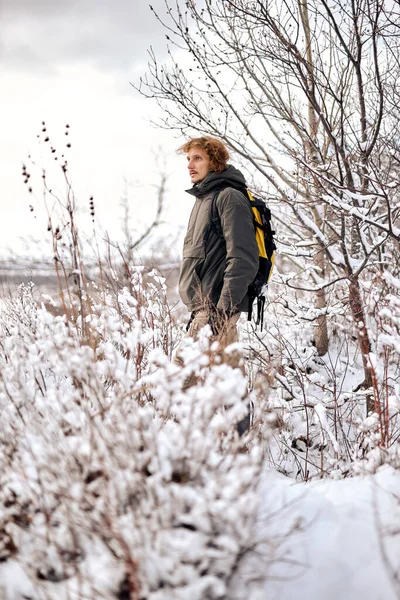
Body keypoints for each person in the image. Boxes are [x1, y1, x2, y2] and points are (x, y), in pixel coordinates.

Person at [178, 136, 259, 351]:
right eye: (188, 159)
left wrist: (223, 310)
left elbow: (243, 258)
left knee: (179, 377)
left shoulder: (229, 197)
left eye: (197, 158)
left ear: (214, 162)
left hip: (214, 307)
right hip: (204, 308)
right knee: (226, 378)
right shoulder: (204, 199)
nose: (190, 165)